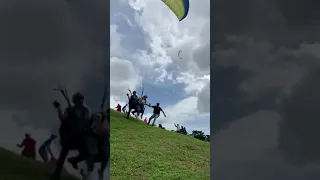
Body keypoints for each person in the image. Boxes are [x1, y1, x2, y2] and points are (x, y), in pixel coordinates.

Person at [52, 92, 90, 180]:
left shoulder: (85, 110)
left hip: (80, 137)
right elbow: (63, 119)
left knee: (86, 153)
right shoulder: (69, 110)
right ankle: (57, 175)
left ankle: (74, 160)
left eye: (81, 98)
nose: (80, 100)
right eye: (78, 99)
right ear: (75, 100)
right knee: (63, 155)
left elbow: (87, 123)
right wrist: (59, 108)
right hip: (70, 136)